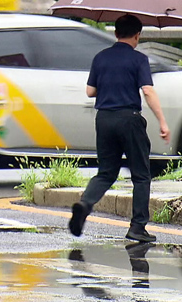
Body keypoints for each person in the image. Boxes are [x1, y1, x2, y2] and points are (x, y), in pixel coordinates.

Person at [68, 14, 170, 243]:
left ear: (115, 33)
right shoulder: (139, 59)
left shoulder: (100, 58)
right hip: (129, 119)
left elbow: (90, 91)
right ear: (137, 35)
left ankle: (85, 204)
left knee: (106, 173)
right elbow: (148, 91)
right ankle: (137, 227)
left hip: (104, 119)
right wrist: (163, 121)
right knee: (141, 175)